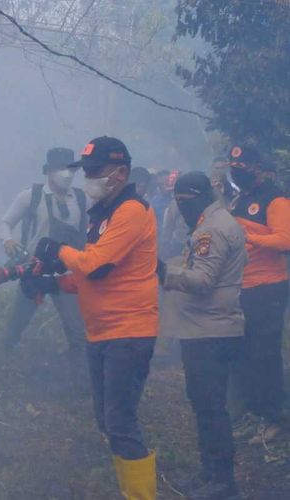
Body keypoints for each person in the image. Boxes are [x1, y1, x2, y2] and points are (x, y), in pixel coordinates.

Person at [23, 136, 158, 499]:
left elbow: (95, 265)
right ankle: (129, 489)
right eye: (87, 171)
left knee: (121, 423)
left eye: (96, 171)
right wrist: (50, 283)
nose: (89, 178)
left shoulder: (131, 210)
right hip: (101, 333)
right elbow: (88, 278)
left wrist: (57, 248)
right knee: (108, 422)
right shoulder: (102, 215)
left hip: (128, 332)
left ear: (121, 172)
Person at [158, 171, 246, 499]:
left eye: (183, 202)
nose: (180, 208)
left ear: (196, 197)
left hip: (210, 330)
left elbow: (203, 280)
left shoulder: (212, 229)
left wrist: (165, 273)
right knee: (205, 404)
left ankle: (222, 481)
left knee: (210, 407)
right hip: (207, 328)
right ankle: (210, 472)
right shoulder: (215, 221)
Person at [0, 147, 88, 388]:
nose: (66, 175)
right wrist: (8, 240)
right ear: (48, 171)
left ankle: (81, 385)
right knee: (16, 324)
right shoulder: (31, 196)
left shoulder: (81, 199)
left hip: (66, 275)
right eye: (61, 169)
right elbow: (5, 224)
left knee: (77, 332)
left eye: (71, 169)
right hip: (34, 272)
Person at [228, 144, 290, 444]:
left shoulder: (274, 198)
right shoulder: (240, 199)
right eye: (234, 165)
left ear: (258, 168)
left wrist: (247, 237)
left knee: (265, 355)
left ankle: (275, 418)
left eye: (243, 166)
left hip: (269, 287)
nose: (237, 170)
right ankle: (254, 412)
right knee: (247, 354)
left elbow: (284, 240)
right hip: (244, 288)